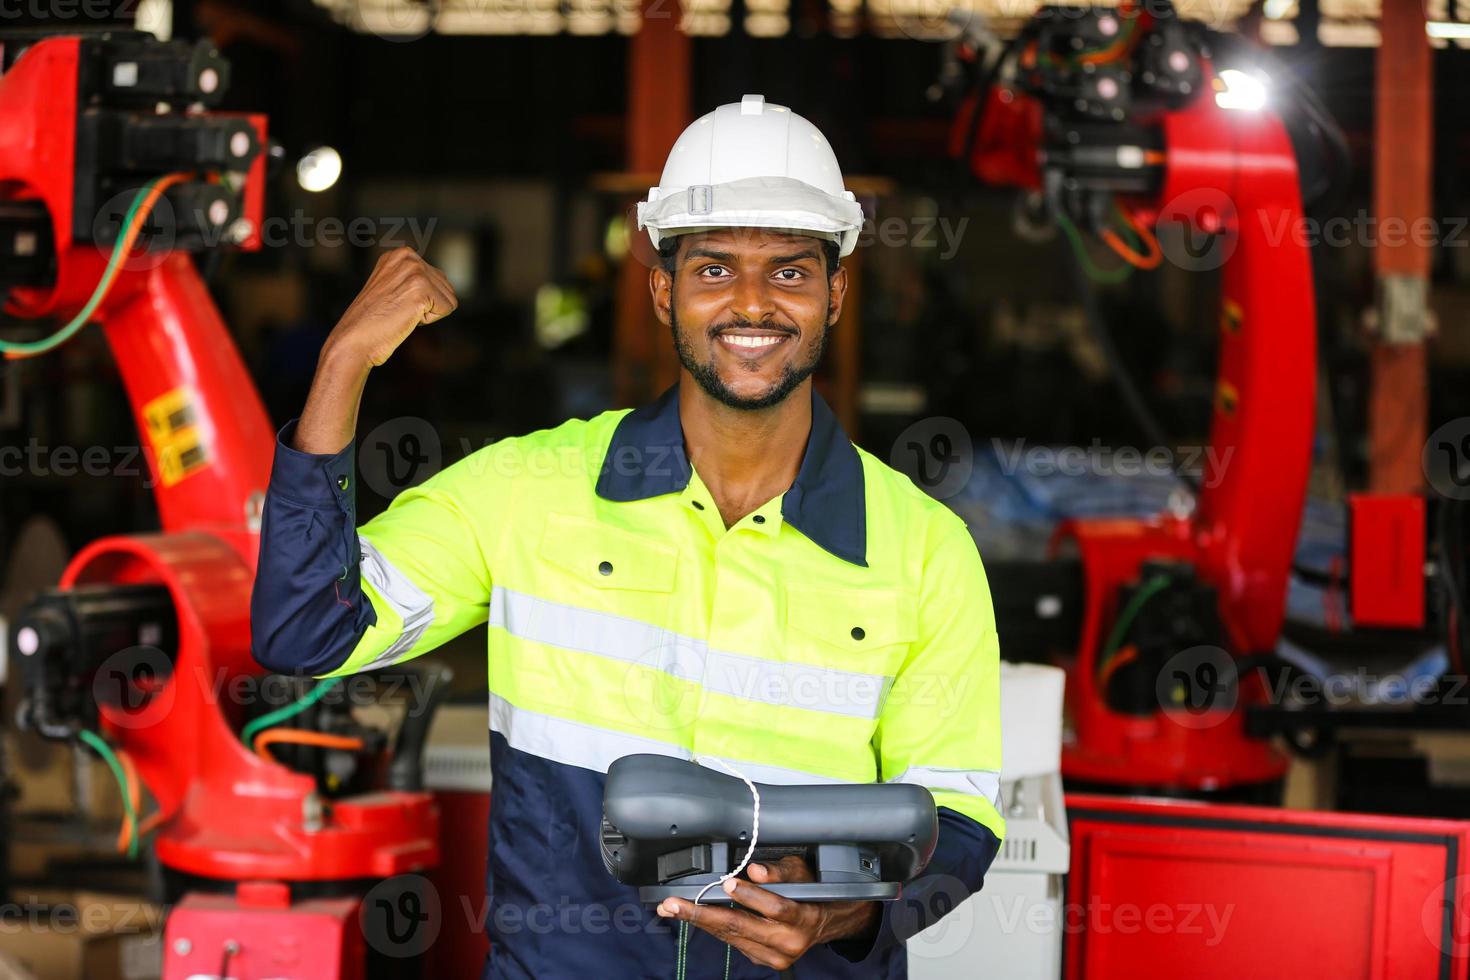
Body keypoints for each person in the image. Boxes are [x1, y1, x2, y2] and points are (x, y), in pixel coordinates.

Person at [251, 94, 1003, 979]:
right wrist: (342, 365)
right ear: (662, 289)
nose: (753, 304)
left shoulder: (924, 548)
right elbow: (306, 630)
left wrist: (849, 914)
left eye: (791, 272)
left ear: (836, 293)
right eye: (714, 269)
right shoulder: (525, 492)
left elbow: (963, 823)